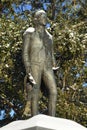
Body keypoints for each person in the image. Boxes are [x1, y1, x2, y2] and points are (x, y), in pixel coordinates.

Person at [23, 10, 57, 117]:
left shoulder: (49, 37)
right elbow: (25, 52)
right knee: (35, 91)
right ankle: (34, 117)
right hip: (34, 64)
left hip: (47, 66)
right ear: (36, 19)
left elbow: (51, 54)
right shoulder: (29, 33)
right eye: (42, 16)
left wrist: (54, 65)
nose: (45, 18)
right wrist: (27, 66)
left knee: (53, 91)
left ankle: (52, 119)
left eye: (46, 16)